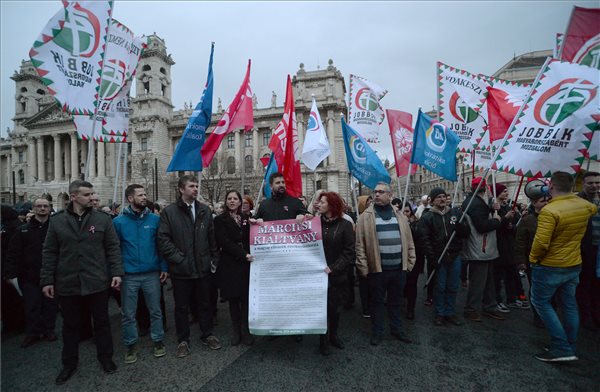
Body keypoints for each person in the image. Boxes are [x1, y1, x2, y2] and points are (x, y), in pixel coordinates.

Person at [40, 180, 123, 385]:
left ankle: (106, 358)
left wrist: (117, 273)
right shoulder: (57, 221)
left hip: (96, 280)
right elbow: (50, 252)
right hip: (68, 282)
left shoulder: (102, 219)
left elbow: (113, 247)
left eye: (92, 194)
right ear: (74, 196)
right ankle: (69, 364)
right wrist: (47, 280)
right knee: (70, 326)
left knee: (102, 322)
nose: (91, 198)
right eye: (87, 195)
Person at [530, 172, 597, 362]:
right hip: (573, 263)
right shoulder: (586, 206)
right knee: (569, 305)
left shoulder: (550, 211)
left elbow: (541, 243)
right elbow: (593, 207)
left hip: (550, 265)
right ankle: (570, 345)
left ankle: (561, 347)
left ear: (551, 186)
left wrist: (533, 259)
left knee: (541, 303)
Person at [157, 175, 221, 358]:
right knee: (181, 307)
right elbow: (163, 240)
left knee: (205, 303)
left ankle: (207, 334)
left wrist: (213, 259)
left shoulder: (204, 210)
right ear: (181, 189)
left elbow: (211, 238)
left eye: (196, 186)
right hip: (181, 270)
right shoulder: (169, 212)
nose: (195, 189)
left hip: (203, 268)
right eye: (191, 186)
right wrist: (180, 259)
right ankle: (183, 340)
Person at [113, 184, 169, 364]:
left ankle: (158, 341)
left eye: (145, 194)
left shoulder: (154, 220)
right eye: (140, 195)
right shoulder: (118, 222)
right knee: (129, 314)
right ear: (130, 199)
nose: (145, 197)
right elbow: (114, 250)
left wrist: (164, 268)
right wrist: (117, 273)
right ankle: (130, 344)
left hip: (151, 274)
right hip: (128, 276)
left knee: (156, 310)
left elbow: (161, 246)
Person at [251, 172, 310, 342]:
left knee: (293, 295)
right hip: (272, 261)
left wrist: (304, 216)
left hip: (292, 260)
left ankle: (296, 329)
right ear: (271, 187)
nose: (281, 184)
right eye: (278, 182)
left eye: (283, 182)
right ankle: (275, 328)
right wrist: (256, 222)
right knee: (275, 296)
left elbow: (310, 220)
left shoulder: (294, 203)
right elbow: (255, 222)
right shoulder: (264, 205)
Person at [356, 182, 416, 346]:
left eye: (381, 192)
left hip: (398, 269)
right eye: (375, 192)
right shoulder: (365, 217)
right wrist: (364, 268)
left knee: (396, 302)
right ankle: (377, 332)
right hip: (377, 270)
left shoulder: (400, 215)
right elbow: (360, 246)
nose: (376, 195)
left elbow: (409, 242)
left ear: (390, 195)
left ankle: (397, 330)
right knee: (377, 303)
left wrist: (409, 264)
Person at [5, 198, 58, 348]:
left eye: (45, 206)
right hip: (29, 275)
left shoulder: (55, 228)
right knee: (31, 306)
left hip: (51, 275)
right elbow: (13, 254)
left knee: (50, 304)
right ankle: (33, 332)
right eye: (39, 206)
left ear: (49, 209)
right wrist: (10, 273)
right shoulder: (22, 229)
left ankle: (49, 330)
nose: (42, 208)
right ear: (33, 209)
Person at [418, 188, 469, 326]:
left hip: (454, 255)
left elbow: (466, 232)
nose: (442, 199)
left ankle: (449, 312)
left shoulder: (455, 213)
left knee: (453, 286)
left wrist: (462, 229)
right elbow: (424, 239)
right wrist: (431, 257)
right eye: (438, 197)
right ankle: (440, 313)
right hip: (438, 257)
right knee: (440, 287)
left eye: (444, 196)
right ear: (433, 200)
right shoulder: (427, 217)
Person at [316, 192, 355, 355]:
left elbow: (349, 252)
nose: (319, 204)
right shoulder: (315, 223)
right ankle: (323, 340)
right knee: (321, 310)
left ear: (331, 205)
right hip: (318, 276)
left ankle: (334, 335)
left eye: (322, 202)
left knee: (335, 310)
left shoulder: (345, 225)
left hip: (337, 276)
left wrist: (334, 268)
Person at [462, 177, 505, 322]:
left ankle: (489, 306)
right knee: (478, 282)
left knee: (487, 281)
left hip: (483, 248)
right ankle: (471, 309)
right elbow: (482, 226)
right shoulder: (476, 203)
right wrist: (497, 220)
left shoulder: (474, 201)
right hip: (480, 248)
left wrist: (492, 209)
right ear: (485, 188)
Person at [214, 190, 254, 346]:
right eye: (229, 198)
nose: (232, 201)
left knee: (245, 298)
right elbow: (224, 242)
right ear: (226, 201)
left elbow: (250, 237)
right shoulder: (219, 220)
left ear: (239, 202)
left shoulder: (246, 218)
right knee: (233, 299)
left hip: (245, 263)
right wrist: (243, 254)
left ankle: (246, 330)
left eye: (235, 199)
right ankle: (236, 331)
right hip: (230, 262)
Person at [490, 183, 527, 313]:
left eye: (506, 191)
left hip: (510, 245)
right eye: (503, 191)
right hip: (498, 245)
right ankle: (497, 300)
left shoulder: (509, 207)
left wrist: (517, 220)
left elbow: (515, 226)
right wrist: (505, 219)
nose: (506, 193)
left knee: (512, 274)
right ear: (497, 193)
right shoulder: (493, 208)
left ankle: (512, 298)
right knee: (497, 276)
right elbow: (496, 227)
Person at [515, 192, 549, 328]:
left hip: (553, 261)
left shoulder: (554, 217)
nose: (546, 203)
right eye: (543, 201)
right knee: (535, 289)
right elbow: (520, 243)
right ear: (534, 203)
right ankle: (538, 315)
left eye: (548, 200)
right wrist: (521, 261)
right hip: (533, 261)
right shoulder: (527, 220)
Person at [576, 171, 600, 330]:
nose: (594, 186)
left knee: (598, 285)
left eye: (597, 183)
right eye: (590, 183)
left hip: (599, 249)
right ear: (583, 184)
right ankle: (586, 317)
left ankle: (596, 314)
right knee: (585, 283)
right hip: (585, 248)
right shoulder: (577, 201)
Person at [401, 204, 424, 320]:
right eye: (403, 212)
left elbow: (419, 241)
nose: (405, 214)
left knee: (412, 285)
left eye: (407, 211)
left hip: (412, 259)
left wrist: (408, 226)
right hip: (399, 260)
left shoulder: (416, 224)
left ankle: (411, 309)